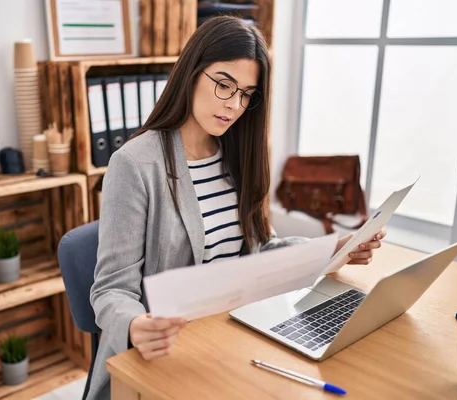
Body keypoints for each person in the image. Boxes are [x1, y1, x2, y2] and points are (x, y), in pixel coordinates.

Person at [87, 15, 386, 400]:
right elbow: (111, 288)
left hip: (231, 334)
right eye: (224, 85)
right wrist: (133, 324)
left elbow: (262, 252)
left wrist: (334, 249)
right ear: (192, 72)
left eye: (246, 94)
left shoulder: (237, 155)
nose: (233, 105)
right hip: (166, 354)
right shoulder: (135, 164)